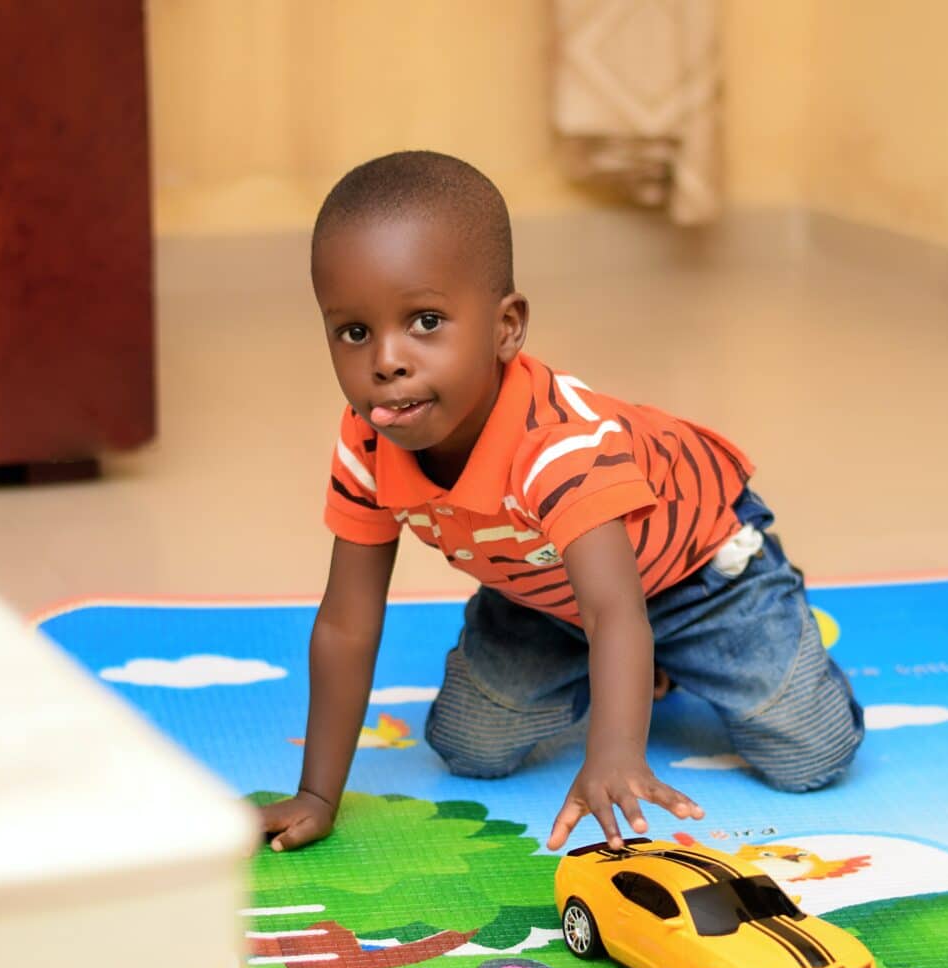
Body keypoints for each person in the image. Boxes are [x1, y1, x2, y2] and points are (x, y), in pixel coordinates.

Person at [259, 152, 865, 853]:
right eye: (354, 332)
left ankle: (766, 632)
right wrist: (317, 794)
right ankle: (633, 669)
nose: (386, 361)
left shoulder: (559, 446)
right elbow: (345, 624)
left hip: (700, 573)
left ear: (506, 326)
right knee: (467, 746)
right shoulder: (367, 441)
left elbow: (617, 610)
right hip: (550, 595)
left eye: (425, 321)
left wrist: (613, 754)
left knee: (811, 756)